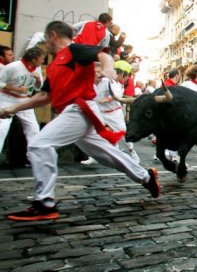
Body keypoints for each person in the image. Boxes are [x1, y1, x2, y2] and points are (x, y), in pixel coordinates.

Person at [0, 21, 160, 221]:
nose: (45, 43)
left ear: (54, 35)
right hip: (74, 112)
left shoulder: (74, 50)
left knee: (40, 144)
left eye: (46, 39)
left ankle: (45, 202)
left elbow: (103, 54)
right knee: (105, 154)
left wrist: (109, 69)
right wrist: (9, 109)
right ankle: (146, 177)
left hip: (78, 109)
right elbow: (43, 97)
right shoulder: (55, 64)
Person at [81, 63, 140, 165]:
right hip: (100, 113)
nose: (97, 74)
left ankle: (133, 153)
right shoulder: (90, 83)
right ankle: (95, 156)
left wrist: (108, 98)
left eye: (99, 72)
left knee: (123, 134)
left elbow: (117, 95)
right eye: (95, 72)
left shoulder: (109, 81)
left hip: (114, 113)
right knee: (97, 134)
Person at [0, 46, 45, 156]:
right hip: (7, 99)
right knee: (2, 128)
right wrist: (17, 89)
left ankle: (34, 158)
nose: (43, 61)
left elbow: (39, 88)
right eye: (41, 59)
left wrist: (38, 80)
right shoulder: (13, 67)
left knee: (33, 129)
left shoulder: (37, 68)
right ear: (33, 59)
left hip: (25, 101)